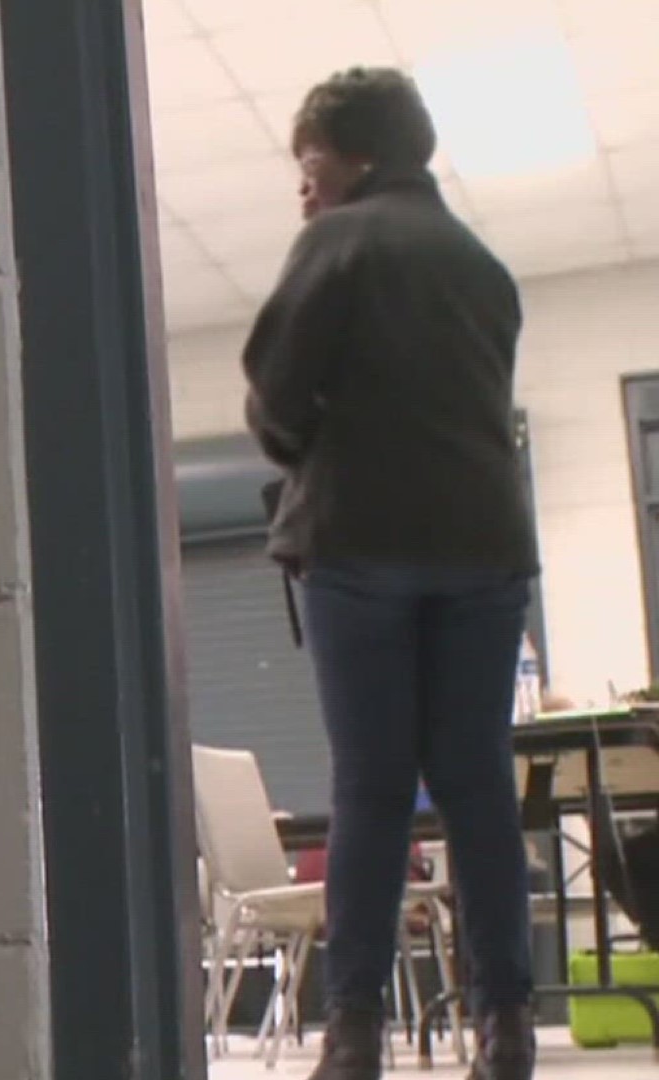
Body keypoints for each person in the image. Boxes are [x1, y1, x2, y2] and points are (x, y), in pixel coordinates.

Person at [242, 67, 538, 1080]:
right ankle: (505, 1028)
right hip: (485, 548)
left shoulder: (337, 243)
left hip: (362, 544)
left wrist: (312, 441)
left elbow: (276, 401)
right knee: (477, 785)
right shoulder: (484, 266)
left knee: (371, 786)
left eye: (312, 166)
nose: (304, 190)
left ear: (359, 158)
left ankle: (356, 1030)